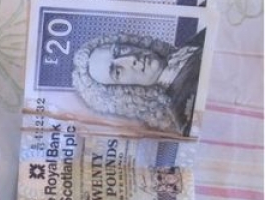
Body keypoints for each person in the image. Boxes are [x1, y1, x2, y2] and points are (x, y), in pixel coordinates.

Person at [72, 29, 206, 136]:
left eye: (119, 50)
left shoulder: (194, 42)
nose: (131, 59)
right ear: (125, 92)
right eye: (117, 72)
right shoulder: (186, 114)